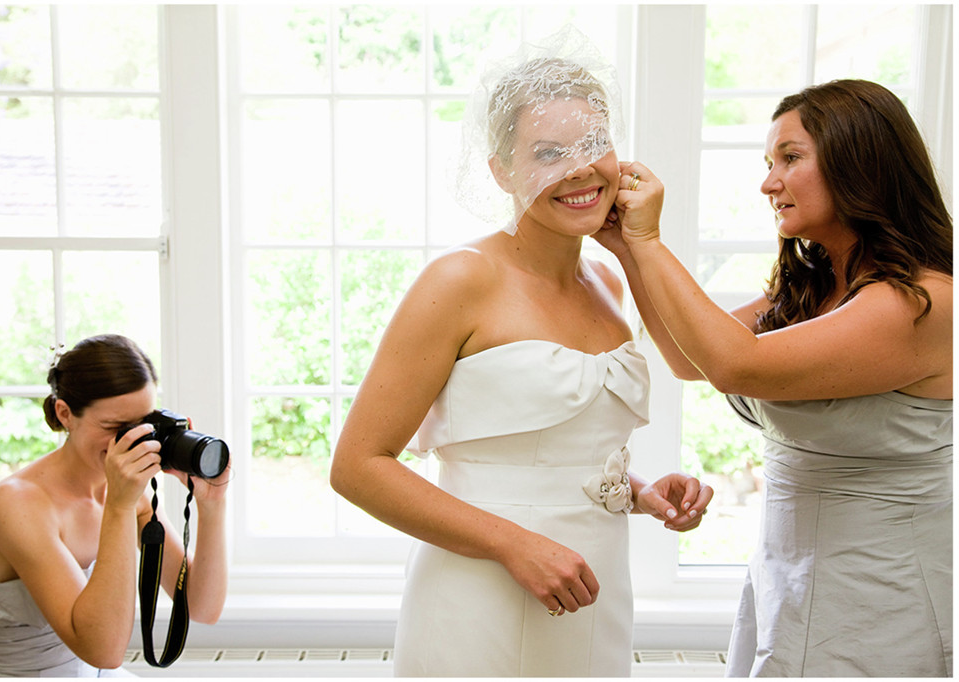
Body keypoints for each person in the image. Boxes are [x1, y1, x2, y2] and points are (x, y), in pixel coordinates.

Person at [330, 27, 713, 677]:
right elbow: (357, 467)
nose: (579, 168)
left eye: (593, 144)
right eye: (548, 153)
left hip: (595, 590)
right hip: (481, 592)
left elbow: (551, 449)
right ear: (501, 170)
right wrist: (513, 545)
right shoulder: (461, 280)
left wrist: (640, 491)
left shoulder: (609, 279)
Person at [595, 79, 952, 676]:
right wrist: (628, 250)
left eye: (790, 158)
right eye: (768, 164)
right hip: (785, 580)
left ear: (859, 161)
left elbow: (737, 365)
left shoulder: (921, 302)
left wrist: (649, 240)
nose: (769, 184)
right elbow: (689, 359)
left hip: (886, 595)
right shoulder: (815, 286)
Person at [0, 334, 230, 676]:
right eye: (113, 427)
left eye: (143, 425)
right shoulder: (19, 504)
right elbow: (104, 651)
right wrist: (119, 509)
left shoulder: (129, 492)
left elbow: (202, 607)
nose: (131, 441)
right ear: (65, 414)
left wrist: (212, 504)